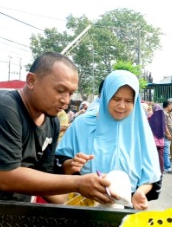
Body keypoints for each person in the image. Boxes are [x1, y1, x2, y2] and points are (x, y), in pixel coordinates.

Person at [0, 52, 113, 204]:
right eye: (60, 90)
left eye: (70, 92)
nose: (66, 100)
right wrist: (78, 184)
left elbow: (44, 176)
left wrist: (84, 200)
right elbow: (7, 177)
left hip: (10, 221)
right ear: (31, 80)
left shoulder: (51, 120)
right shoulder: (0, 107)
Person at [55, 70, 162, 210]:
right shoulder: (82, 124)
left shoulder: (141, 129)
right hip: (85, 208)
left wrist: (140, 193)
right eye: (116, 99)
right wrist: (72, 163)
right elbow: (59, 166)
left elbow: (151, 175)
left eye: (128, 101)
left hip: (127, 207)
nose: (122, 105)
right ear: (105, 96)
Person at [148, 104, 165, 174]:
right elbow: (165, 128)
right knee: (160, 157)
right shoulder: (162, 118)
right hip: (161, 142)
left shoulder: (150, 116)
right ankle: (161, 170)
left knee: (152, 157)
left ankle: (153, 170)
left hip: (152, 141)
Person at [162, 100, 172, 174]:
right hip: (166, 136)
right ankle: (167, 168)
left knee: (166, 152)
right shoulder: (164, 113)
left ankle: (166, 167)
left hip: (168, 136)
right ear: (168, 105)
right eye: (171, 105)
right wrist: (168, 134)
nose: (171, 107)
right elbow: (164, 125)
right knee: (166, 153)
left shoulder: (168, 114)